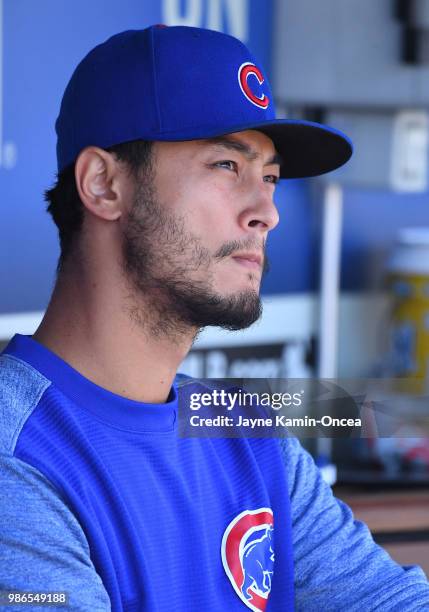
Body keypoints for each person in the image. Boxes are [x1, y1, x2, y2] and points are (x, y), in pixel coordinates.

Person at [0, 24, 428, 612]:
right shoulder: (15, 457)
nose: (268, 212)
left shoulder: (245, 430)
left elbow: (386, 600)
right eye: (228, 165)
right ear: (103, 184)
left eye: (270, 178)